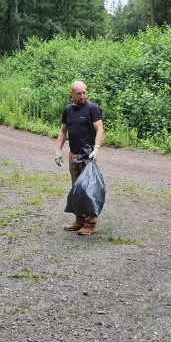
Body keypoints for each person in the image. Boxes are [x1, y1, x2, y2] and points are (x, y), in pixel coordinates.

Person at [55, 80, 104, 235]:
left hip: (87, 156)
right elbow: (63, 130)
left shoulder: (92, 109)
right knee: (77, 189)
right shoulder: (68, 110)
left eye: (84, 92)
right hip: (73, 155)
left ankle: (91, 223)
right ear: (71, 93)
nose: (82, 96)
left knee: (89, 189)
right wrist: (58, 150)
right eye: (79, 93)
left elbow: (100, 129)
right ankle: (80, 220)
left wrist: (96, 149)